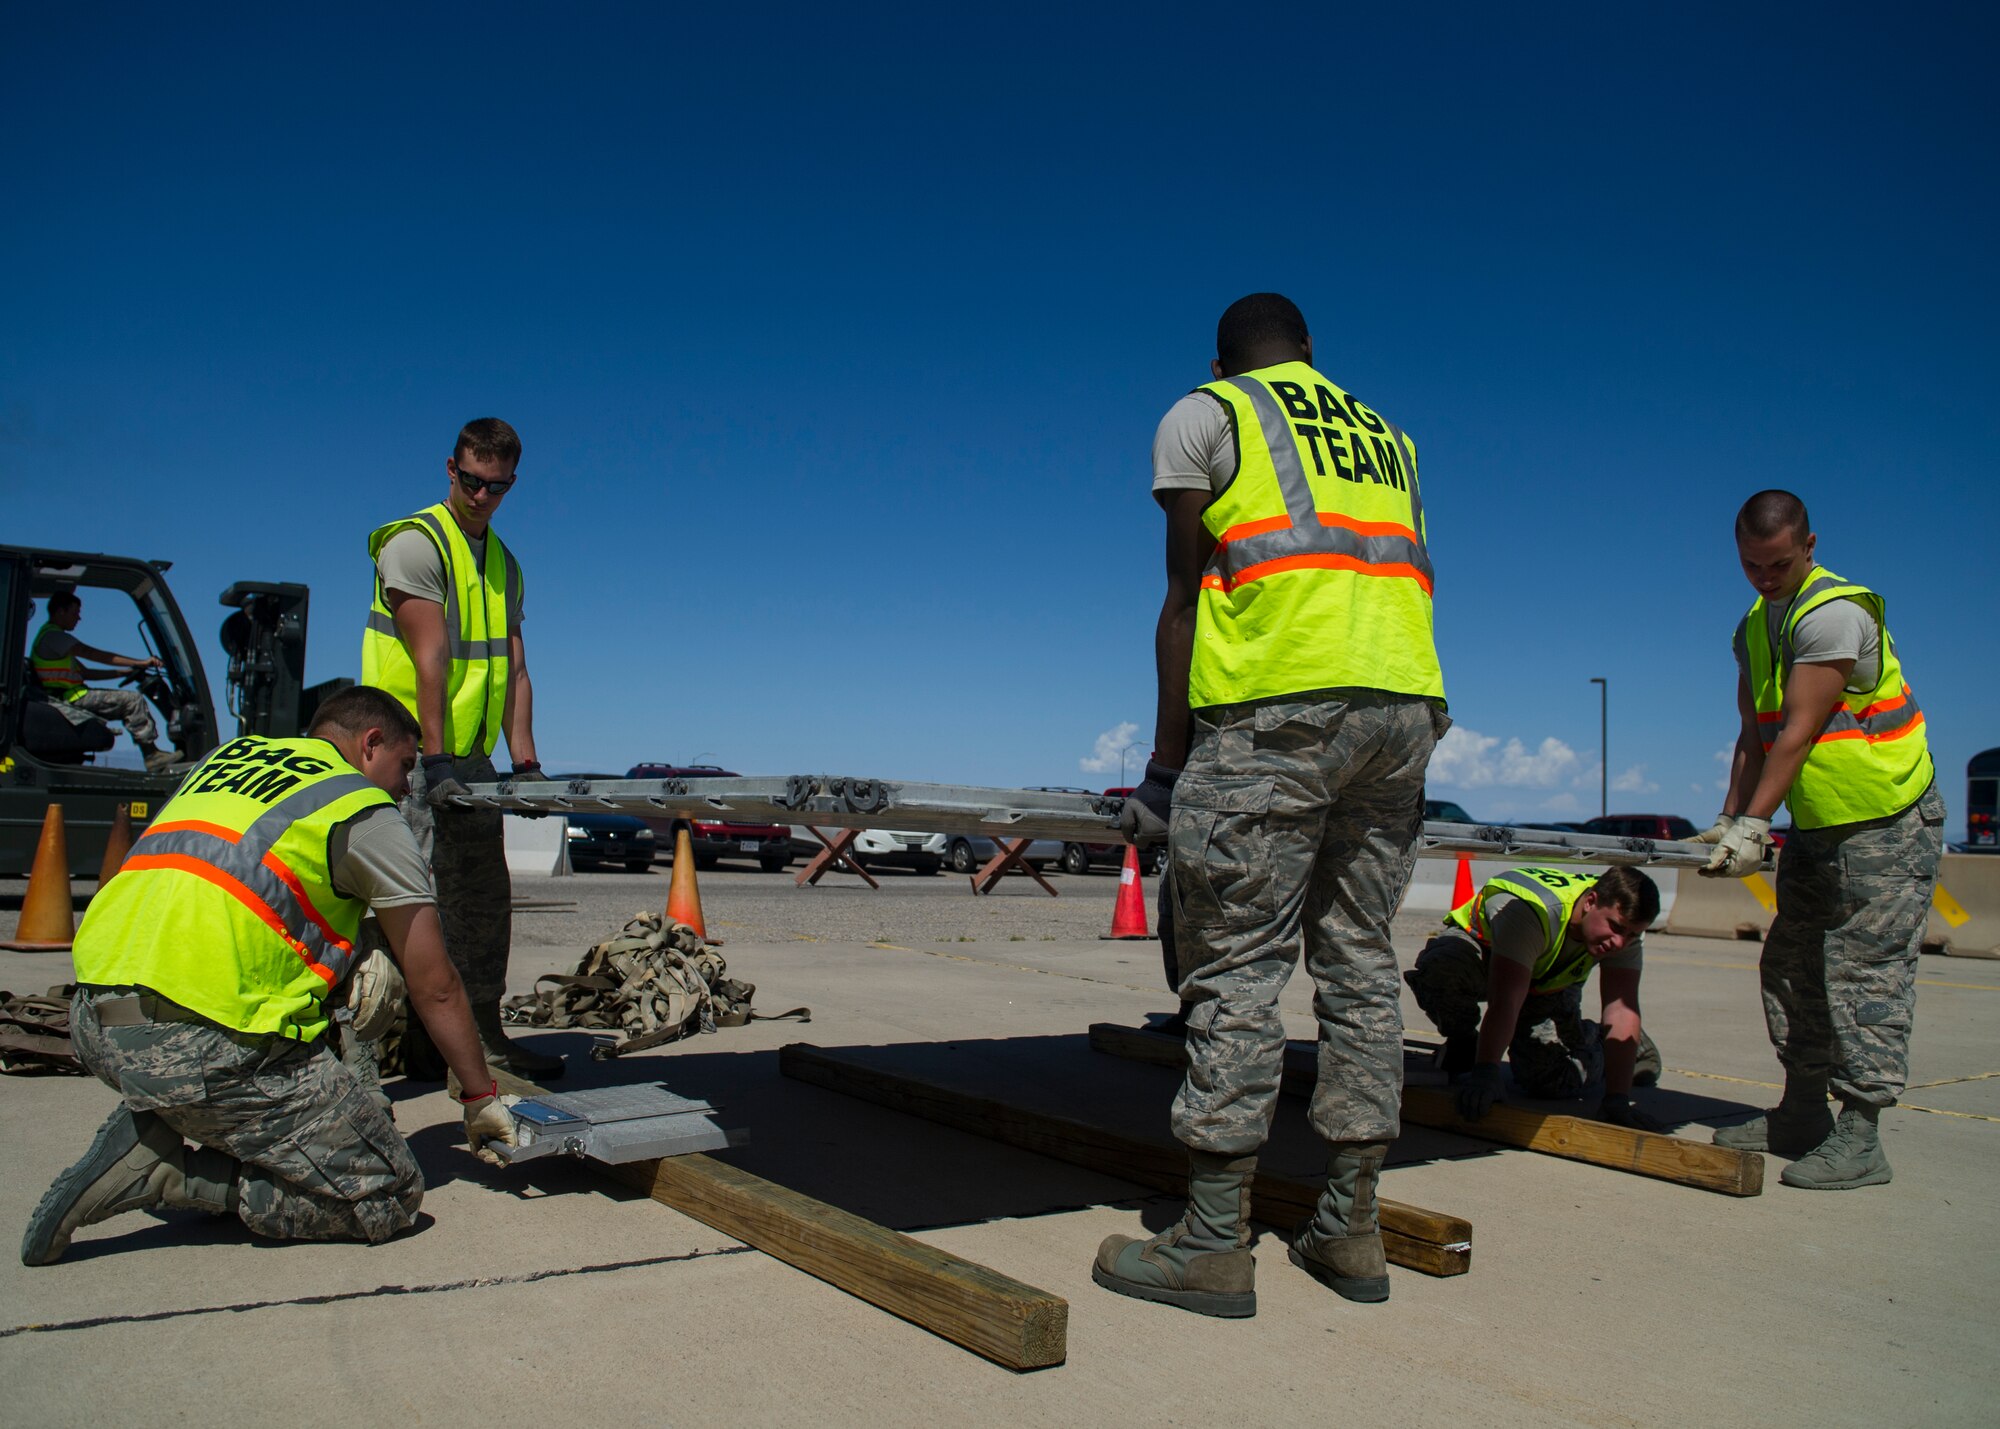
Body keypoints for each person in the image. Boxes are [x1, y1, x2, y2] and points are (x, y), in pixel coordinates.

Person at [1094, 293, 1448, 1317]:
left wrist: (1165, 771)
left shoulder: (1209, 411)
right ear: (1310, 353)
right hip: (1399, 709)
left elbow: (1185, 592)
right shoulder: (1387, 437)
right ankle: (1350, 1225)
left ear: (1221, 356)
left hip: (1277, 712)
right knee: (1358, 966)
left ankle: (1211, 1241)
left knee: (1236, 969)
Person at [21, 685, 515, 1265]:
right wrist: (479, 1097)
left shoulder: (230, 760)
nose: (409, 785)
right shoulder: (363, 810)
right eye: (406, 765)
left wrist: (360, 951)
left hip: (92, 1020)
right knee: (387, 1192)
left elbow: (243, 894)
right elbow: (436, 984)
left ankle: (177, 1114)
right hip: (194, 1045)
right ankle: (169, 1175)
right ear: (370, 744)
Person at [1696, 489, 1943, 1190]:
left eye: (1776, 564)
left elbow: (1800, 729)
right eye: (1751, 565)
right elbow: (1756, 732)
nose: (1765, 578)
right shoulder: (1753, 624)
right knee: (1794, 967)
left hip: (1885, 819)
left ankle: (1862, 1133)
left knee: (1864, 974)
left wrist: (1756, 824)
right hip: (1820, 823)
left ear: (1809, 544)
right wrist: (1728, 815)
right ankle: (1801, 1112)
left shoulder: (1833, 613)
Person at [360, 416, 561, 1079]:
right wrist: (436, 761)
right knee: (399, 901)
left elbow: (515, 669)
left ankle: (482, 1043)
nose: (481, 496)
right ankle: (362, 1046)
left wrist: (524, 763)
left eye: (496, 487)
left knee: (480, 900)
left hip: (469, 762)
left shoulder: (505, 564)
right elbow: (431, 657)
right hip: (404, 757)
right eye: (472, 481)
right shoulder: (416, 545)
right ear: (451, 468)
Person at [1405, 865, 1665, 1130]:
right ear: (1590, 902)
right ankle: (1466, 1044)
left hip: (1547, 985)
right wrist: (1487, 1070)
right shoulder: (1531, 911)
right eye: (1615, 928)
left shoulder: (1622, 929)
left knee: (1552, 1080)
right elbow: (1506, 999)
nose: (1620, 943)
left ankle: (1608, 1043)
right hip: (1490, 958)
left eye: (1632, 935)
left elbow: (1621, 1009)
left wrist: (1617, 1098)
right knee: (1441, 972)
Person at [29, 591, 178, 772]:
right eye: (75, 613)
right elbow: (92, 654)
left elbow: (87, 673)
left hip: (68, 696)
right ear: (61, 611)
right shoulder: (54, 637)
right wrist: (139, 662)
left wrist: (125, 673)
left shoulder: (54, 641)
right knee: (132, 701)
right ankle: (152, 755)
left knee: (127, 700)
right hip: (68, 699)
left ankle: (153, 754)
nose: (79, 618)